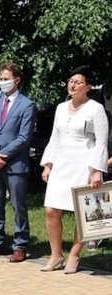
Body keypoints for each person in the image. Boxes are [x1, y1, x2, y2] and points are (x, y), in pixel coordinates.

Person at [40, 66, 108, 274]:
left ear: (88, 86)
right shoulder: (61, 107)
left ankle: (74, 255)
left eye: (78, 82)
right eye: (71, 81)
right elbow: (55, 137)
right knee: (51, 209)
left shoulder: (96, 109)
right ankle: (56, 254)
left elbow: (101, 142)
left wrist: (96, 170)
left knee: (82, 212)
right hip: (62, 162)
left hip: (83, 163)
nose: (73, 85)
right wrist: (48, 164)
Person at [0, 63, 36, 263]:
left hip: (15, 164)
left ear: (17, 80)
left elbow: (24, 137)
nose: (2, 82)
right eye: (1, 79)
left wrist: (3, 156)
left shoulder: (27, 105)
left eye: (6, 78)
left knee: (18, 205)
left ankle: (20, 245)